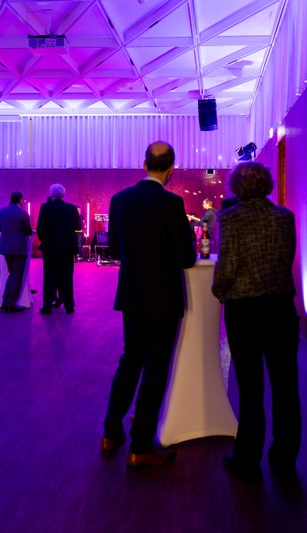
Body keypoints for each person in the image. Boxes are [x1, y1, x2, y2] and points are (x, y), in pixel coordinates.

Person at [101, 141, 196, 469]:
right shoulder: (172, 203)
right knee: (155, 369)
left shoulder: (119, 200)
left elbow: (113, 251)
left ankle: (111, 432)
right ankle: (141, 445)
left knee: (129, 361)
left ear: (145, 164)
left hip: (131, 295)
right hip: (163, 299)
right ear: (171, 168)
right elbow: (186, 257)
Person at [212, 161, 300, 482]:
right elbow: (285, 258)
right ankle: (285, 457)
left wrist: (219, 292)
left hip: (245, 311)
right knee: (286, 386)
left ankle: (247, 459)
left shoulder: (230, 218)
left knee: (250, 388)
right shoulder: (285, 217)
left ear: (237, 187)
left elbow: (228, 265)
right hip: (281, 309)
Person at [36, 183, 81, 314]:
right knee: (67, 277)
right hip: (67, 249)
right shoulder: (72, 208)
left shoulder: (45, 207)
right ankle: (69, 305)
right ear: (63, 194)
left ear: (51, 194)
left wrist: (46, 241)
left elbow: (40, 228)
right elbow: (78, 226)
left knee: (49, 277)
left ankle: (47, 306)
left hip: (50, 249)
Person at [0, 191, 32, 312]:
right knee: (16, 276)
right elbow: (28, 231)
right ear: (20, 200)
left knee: (11, 275)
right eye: (23, 200)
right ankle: (11, 304)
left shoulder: (2, 211)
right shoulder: (23, 213)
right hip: (19, 249)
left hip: (6, 248)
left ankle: (5, 301)